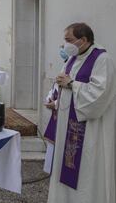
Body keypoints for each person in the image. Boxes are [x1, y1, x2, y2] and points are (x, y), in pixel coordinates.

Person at [48, 23, 116, 203]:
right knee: (67, 165)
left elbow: (100, 94)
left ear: (83, 40)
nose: (65, 44)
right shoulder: (73, 58)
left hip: (89, 130)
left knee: (86, 171)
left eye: (69, 40)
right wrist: (56, 101)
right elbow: (65, 85)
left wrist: (71, 84)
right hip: (67, 127)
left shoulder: (102, 59)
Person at [43, 46, 69, 174]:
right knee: (52, 145)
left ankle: (57, 172)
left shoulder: (75, 69)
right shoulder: (65, 65)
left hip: (64, 114)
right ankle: (51, 171)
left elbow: (72, 95)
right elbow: (55, 87)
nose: (62, 50)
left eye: (64, 47)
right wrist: (49, 99)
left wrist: (57, 103)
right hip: (56, 113)